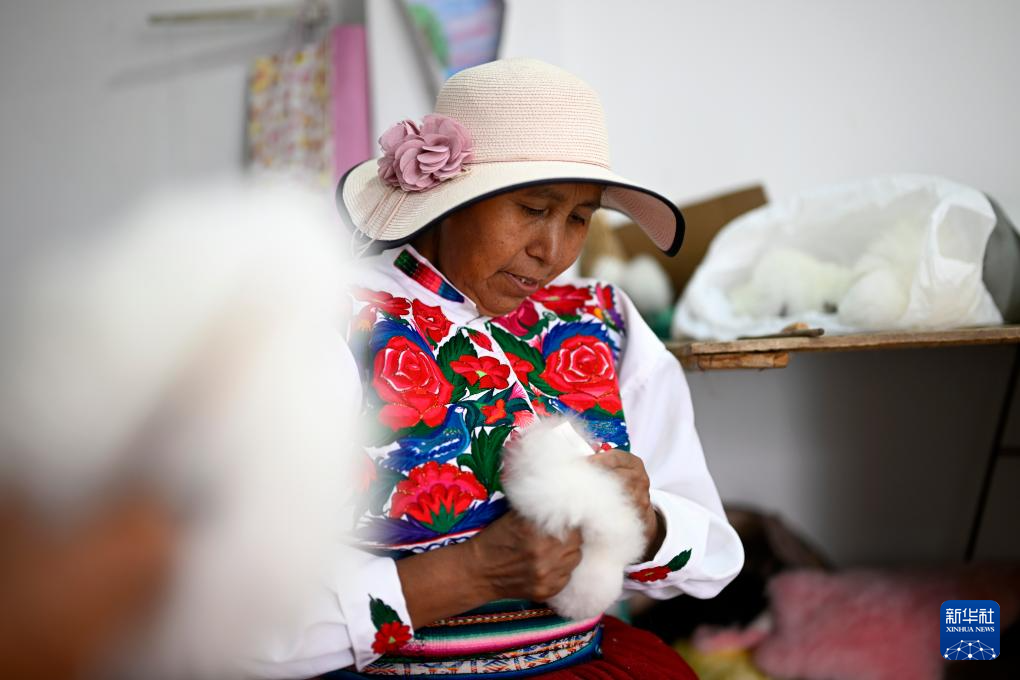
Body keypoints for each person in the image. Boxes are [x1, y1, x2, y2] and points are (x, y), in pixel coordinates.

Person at [263, 58, 744, 679]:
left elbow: (713, 557)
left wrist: (647, 523)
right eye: (533, 208)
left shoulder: (602, 324)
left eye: (579, 218)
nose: (553, 251)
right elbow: (245, 619)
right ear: (448, 197)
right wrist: (472, 573)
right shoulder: (325, 324)